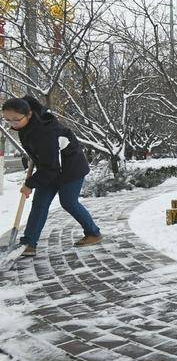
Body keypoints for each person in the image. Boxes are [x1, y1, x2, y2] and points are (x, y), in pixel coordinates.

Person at [2, 96, 102, 257]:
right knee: (40, 204)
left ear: (28, 114)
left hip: (70, 168)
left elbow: (51, 168)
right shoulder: (28, 119)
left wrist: (30, 183)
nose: (12, 124)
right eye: (7, 120)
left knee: (68, 202)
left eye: (15, 120)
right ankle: (29, 243)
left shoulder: (44, 133)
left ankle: (93, 233)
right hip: (50, 166)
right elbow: (29, 100)